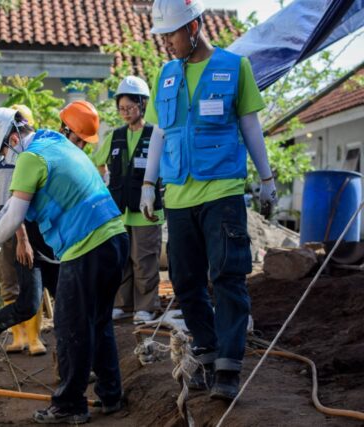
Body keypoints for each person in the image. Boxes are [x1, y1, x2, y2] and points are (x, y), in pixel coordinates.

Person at [141, 0, 278, 401]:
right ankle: (206, 349)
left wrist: (266, 178)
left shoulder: (236, 68)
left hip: (222, 193)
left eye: (173, 34)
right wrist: (149, 184)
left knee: (228, 277)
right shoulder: (165, 75)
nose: (167, 42)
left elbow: (250, 125)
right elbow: (159, 136)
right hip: (179, 196)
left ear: (196, 27)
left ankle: (229, 368)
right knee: (185, 282)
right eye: (163, 36)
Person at [0, 107, 129, 424]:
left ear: (14, 137)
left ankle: (70, 405)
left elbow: (15, 215)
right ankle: (110, 394)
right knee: (98, 323)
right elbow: (12, 213)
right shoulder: (53, 141)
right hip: (115, 237)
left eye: (4, 149)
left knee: (71, 325)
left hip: (87, 243)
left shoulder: (30, 158)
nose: (5, 156)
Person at [93, 76, 164, 325]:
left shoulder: (155, 134)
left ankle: (146, 306)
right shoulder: (115, 136)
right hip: (119, 210)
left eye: (130, 108)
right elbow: (97, 161)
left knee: (144, 259)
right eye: (121, 108)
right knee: (121, 259)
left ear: (143, 105)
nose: (125, 113)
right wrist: (105, 179)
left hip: (147, 211)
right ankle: (123, 304)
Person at [0, 104, 46, 355]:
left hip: (27, 225)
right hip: (2, 226)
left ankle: (34, 337)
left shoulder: (30, 156)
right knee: (9, 283)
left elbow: (19, 208)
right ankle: (18, 336)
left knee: (31, 284)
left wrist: (22, 239)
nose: (6, 154)